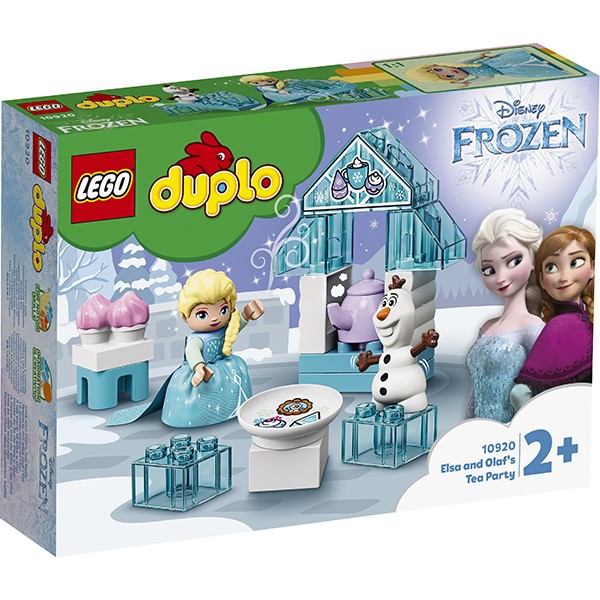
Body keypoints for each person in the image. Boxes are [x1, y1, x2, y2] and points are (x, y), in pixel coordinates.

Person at [107, 269, 264, 428]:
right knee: (202, 390)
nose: (215, 318)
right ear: (185, 317)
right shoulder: (196, 339)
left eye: (222, 310)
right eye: (202, 314)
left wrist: (246, 315)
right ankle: (201, 416)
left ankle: (230, 409)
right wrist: (198, 366)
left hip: (225, 366)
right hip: (201, 370)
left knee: (233, 378)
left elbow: (234, 328)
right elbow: (192, 351)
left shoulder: (223, 329)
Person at [466, 209, 544, 422]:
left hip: (511, 431)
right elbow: (475, 392)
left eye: (513, 261)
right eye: (489, 270)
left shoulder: (533, 328)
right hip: (477, 429)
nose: (500, 278)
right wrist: (466, 426)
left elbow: (541, 392)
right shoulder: (486, 327)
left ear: (533, 260)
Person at [511, 226, 594, 409]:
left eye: (575, 262)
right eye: (551, 267)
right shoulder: (558, 326)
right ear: (542, 280)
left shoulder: (584, 319)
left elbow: (519, 394)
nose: (564, 277)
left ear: (593, 267)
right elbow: (519, 393)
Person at [403, 48, 568, 88]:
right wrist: (469, 83)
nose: (450, 72)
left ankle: (540, 58)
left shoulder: (462, 62)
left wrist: (480, 56)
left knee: (519, 58)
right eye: (448, 77)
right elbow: (488, 77)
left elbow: (472, 58)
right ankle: (553, 68)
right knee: (530, 70)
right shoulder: (476, 76)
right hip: (505, 71)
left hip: (498, 62)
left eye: (440, 70)